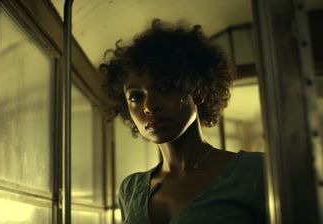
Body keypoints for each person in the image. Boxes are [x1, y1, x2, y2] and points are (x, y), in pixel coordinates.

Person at [99, 19, 266, 224]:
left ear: (197, 91)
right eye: (135, 97)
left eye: (164, 88)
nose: (149, 106)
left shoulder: (255, 171)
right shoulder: (131, 189)